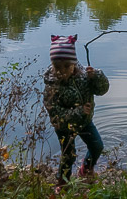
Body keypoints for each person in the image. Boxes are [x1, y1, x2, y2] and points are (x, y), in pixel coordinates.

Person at [43, 34, 109, 185]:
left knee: (97, 146)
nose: (62, 71)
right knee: (68, 155)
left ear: (73, 64)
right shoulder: (52, 85)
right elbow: (55, 114)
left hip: (85, 122)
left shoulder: (84, 76)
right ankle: (63, 182)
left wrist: (96, 77)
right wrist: (79, 112)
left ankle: (86, 169)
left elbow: (102, 90)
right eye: (57, 67)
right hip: (64, 127)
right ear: (52, 65)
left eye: (66, 66)